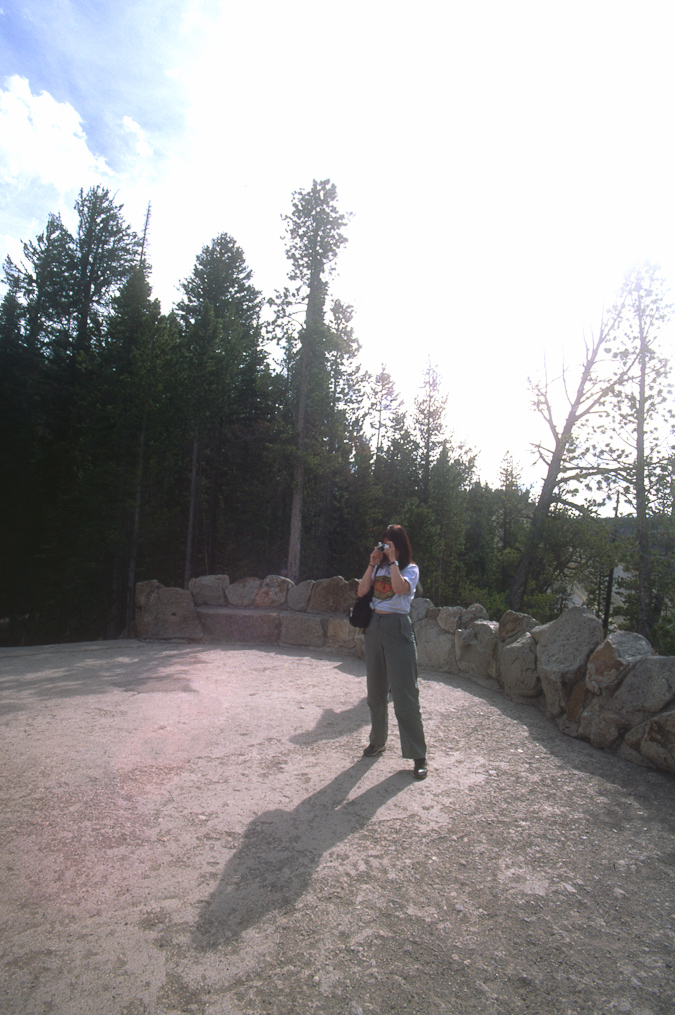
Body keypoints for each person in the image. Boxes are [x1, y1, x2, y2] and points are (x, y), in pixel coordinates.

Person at [357, 524, 428, 780]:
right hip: (374, 627)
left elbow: (399, 589)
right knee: (375, 693)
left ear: (399, 546)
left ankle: (418, 755)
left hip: (398, 628)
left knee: (405, 695)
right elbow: (362, 591)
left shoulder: (410, 569)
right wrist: (372, 564)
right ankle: (377, 741)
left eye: (389, 545)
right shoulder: (379, 567)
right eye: (383, 544)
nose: (385, 549)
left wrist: (394, 562)